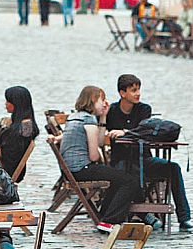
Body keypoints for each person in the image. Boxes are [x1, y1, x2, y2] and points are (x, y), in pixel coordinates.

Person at [105, 74, 193, 232]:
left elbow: (144, 132)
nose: (138, 93)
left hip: (144, 159)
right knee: (128, 175)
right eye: (133, 90)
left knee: (173, 168)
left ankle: (184, 218)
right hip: (121, 161)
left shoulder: (144, 109)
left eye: (139, 89)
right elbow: (109, 134)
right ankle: (144, 214)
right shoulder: (112, 111)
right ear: (122, 93)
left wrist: (125, 132)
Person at [58, 86, 143, 233]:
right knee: (130, 181)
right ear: (92, 100)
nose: (105, 103)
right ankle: (109, 220)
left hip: (71, 171)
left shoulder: (75, 117)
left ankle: (103, 216)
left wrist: (103, 117)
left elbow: (101, 143)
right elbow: (94, 155)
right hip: (82, 169)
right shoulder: (88, 120)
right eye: (102, 100)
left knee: (117, 176)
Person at [0, 86, 39, 182]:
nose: (5, 104)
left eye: (8, 101)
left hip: (7, 171)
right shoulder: (27, 125)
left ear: (16, 104)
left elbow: (5, 154)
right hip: (14, 170)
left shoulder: (18, 131)